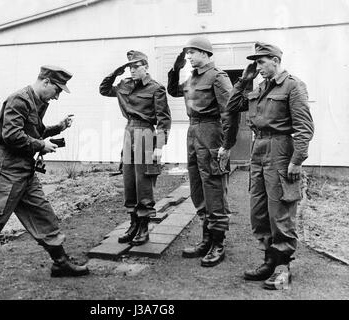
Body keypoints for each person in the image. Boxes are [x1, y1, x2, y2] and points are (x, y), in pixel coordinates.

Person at [0, 65, 89, 298]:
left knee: (43, 214)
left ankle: (60, 262)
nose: (57, 95)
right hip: (5, 170)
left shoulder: (36, 102)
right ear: (45, 81)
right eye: (57, 89)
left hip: (24, 171)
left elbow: (35, 131)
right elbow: (11, 135)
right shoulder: (19, 100)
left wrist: (59, 127)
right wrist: (41, 145)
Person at [219, 42, 314, 289]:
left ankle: (283, 267)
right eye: (256, 63)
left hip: (281, 150)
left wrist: (297, 160)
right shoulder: (258, 88)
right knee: (259, 212)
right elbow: (230, 106)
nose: (257, 67)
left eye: (261, 62)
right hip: (258, 150)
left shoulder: (293, 85)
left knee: (280, 210)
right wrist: (243, 80)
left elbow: (305, 128)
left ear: (275, 60)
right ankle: (269, 261)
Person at [167, 36, 238, 267]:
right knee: (197, 186)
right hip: (193, 131)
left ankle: (218, 243)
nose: (188, 56)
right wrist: (175, 68)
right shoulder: (191, 77)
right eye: (187, 53)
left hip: (211, 130)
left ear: (206, 54)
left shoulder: (218, 77)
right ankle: (206, 239)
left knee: (214, 186)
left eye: (192, 52)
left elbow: (230, 112)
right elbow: (173, 90)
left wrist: (226, 146)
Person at [100, 50, 172, 246]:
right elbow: (104, 89)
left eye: (136, 66)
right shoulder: (124, 84)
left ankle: (143, 228)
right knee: (129, 180)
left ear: (146, 67)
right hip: (128, 132)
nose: (132, 70)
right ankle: (133, 224)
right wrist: (116, 72)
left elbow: (164, 120)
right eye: (129, 67)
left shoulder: (156, 88)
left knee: (144, 181)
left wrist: (159, 146)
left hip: (146, 133)